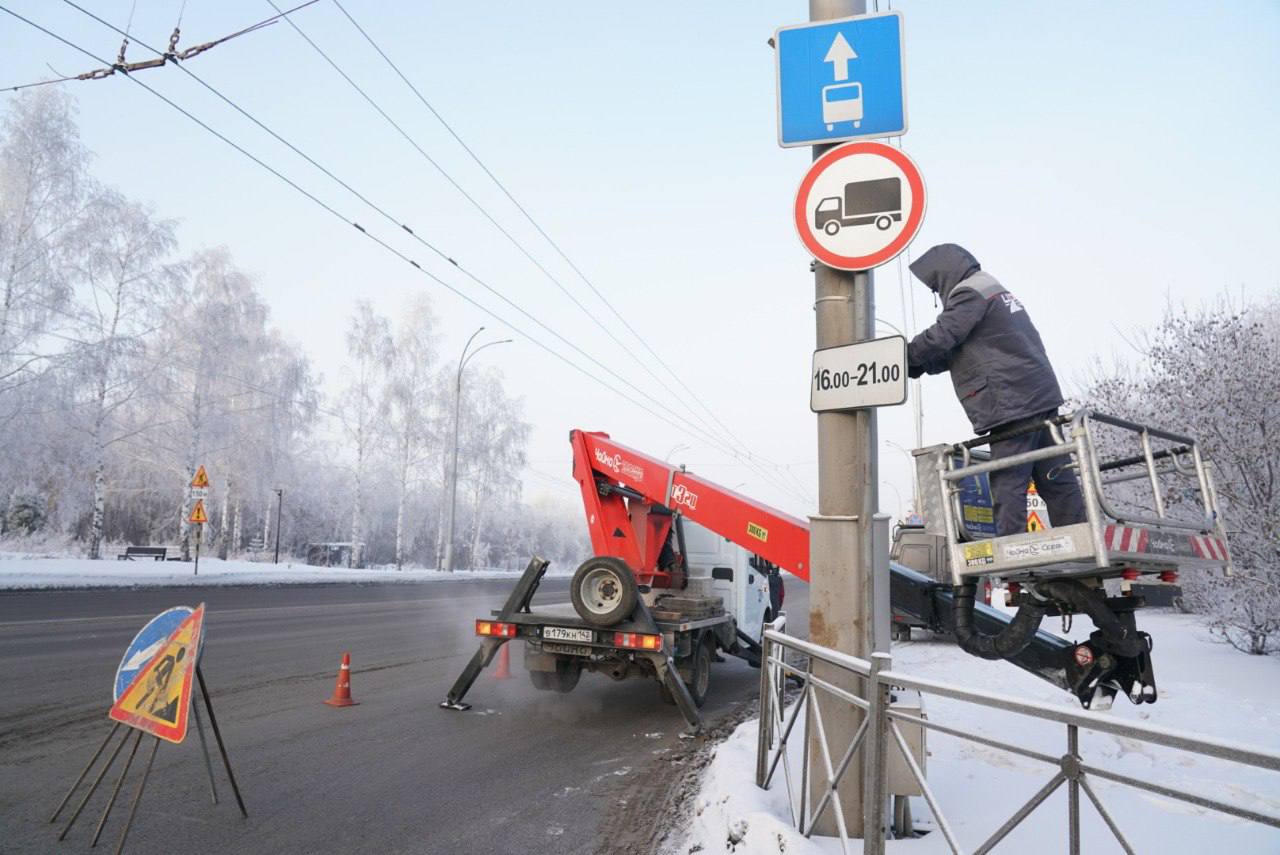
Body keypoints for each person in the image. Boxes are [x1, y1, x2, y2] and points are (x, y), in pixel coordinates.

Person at [906, 243, 1086, 536]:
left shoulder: (969, 293)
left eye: (935, 284)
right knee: (1055, 478)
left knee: (1008, 479)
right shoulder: (990, 289)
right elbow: (958, 351)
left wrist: (904, 355)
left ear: (944, 274)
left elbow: (943, 336)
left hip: (1011, 401)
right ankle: (1081, 542)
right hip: (1037, 396)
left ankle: (1013, 550)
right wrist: (917, 365)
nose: (936, 291)